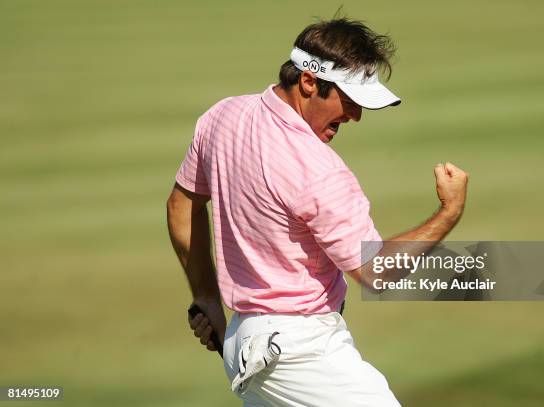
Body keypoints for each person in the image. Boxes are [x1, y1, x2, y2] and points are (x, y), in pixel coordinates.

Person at [166, 16, 468, 407]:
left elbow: (181, 203)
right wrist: (449, 211)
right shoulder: (318, 169)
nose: (355, 115)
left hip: (248, 342)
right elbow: (376, 271)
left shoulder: (223, 117)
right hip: (299, 353)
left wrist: (206, 296)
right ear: (309, 82)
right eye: (348, 99)